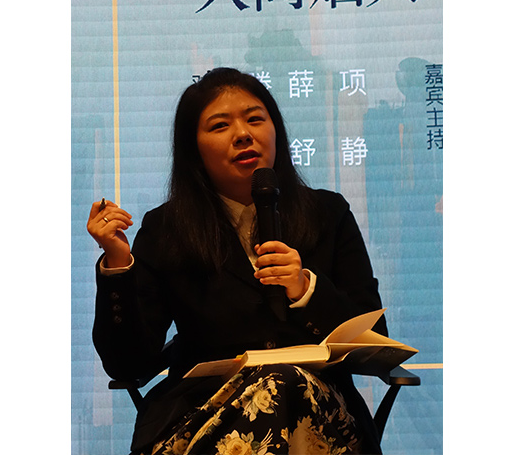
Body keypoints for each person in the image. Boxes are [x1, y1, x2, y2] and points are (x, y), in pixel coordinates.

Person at [88, 67, 388, 454]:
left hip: (322, 417)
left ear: (276, 131)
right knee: (278, 385)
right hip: (204, 418)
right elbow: (128, 366)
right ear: (194, 150)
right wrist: (117, 265)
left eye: (255, 119)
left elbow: (374, 342)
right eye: (220, 126)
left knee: (285, 382)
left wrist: (306, 290)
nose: (243, 134)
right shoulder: (167, 229)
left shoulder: (328, 214)